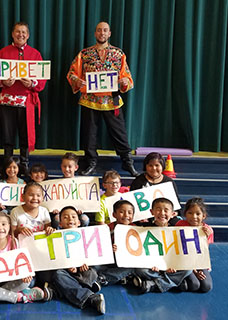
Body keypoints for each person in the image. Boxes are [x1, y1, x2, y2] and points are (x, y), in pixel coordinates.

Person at [67, 21, 137, 177]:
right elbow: (72, 73)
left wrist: (124, 82)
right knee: (89, 133)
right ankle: (90, 162)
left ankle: (127, 161)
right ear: (95, 33)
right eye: (99, 30)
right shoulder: (84, 54)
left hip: (111, 100)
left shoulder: (118, 54)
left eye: (105, 30)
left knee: (119, 133)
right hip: (90, 100)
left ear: (109, 33)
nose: (102, 33)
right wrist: (77, 81)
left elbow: (127, 76)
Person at [0, 22, 47, 172]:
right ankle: (7, 164)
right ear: (12, 34)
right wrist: (3, 82)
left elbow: (41, 83)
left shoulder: (35, 54)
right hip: (7, 101)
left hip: (26, 102)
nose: (20, 35)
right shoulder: (3, 53)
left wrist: (31, 83)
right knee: (7, 136)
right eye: (17, 32)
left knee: (25, 135)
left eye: (23, 32)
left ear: (28, 35)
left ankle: (24, 164)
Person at [0, 211, 45, 309]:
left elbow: (20, 262)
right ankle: (20, 297)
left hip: (11, 279)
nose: (0, 228)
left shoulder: (14, 242)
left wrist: (25, 274)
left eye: (3, 224)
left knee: (27, 282)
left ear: (9, 227)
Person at [52, 206, 105, 314]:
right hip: (67, 273)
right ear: (60, 224)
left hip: (83, 272)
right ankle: (90, 297)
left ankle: (63, 290)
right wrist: (69, 268)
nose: (70, 219)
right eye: (65, 217)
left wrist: (85, 265)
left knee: (92, 272)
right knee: (58, 274)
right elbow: (56, 259)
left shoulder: (87, 235)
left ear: (79, 222)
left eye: (73, 217)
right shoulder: (55, 237)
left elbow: (92, 254)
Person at [133, 198, 191, 293]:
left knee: (189, 269)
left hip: (171, 266)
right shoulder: (144, 228)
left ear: (173, 214)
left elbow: (179, 251)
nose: (162, 213)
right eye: (158, 209)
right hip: (152, 266)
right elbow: (142, 250)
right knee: (140, 270)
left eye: (166, 210)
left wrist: (174, 265)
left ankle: (154, 284)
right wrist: (152, 264)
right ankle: (174, 281)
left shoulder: (177, 230)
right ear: (152, 212)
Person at [130, 152, 181, 224]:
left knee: (176, 223)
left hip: (165, 215)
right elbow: (132, 203)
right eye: (150, 165)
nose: (154, 168)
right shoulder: (138, 181)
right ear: (145, 166)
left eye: (157, 165)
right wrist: (139, 216)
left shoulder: (169, 182)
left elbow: (176, 203)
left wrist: (175, 212)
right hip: (144, 217)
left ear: (162, 166)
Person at [176, 197, 213, 292]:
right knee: (194, 285)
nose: (194, 217)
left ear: (204, 216)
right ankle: (180, 282)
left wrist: (206, 237)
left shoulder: (207, 230)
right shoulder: (180, 225)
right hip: (184, 261)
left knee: (206, 287)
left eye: (198, 214)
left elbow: (204, 252)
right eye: (190, 213)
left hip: (199, 261)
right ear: (185, 214)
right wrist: (194, 271)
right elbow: (178, 249)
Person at [96, 200, 137, 285]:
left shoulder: (136, 229)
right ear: (114, 214)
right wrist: (109, 248)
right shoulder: (107, 228)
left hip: (126, 262)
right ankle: (122, 277)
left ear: (133, 216)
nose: (126, 215)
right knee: (95, 267)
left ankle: (103, 279)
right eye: (122, 212)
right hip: (110, 260)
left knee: (134, 267)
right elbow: (99, 246)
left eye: (130, 213)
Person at [50, 152, 89, 228]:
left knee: (85, 219)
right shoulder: (54, 184)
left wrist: (83, 208)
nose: (67, 169)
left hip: (76, 213)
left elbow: (86, 202)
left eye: (70, 166)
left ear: (76, 167)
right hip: (62, 213)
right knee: (56, 219)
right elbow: (52, 202)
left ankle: (82, 237)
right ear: (61, 167)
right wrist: (54, 209)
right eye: (64, 166)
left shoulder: (82, 184)